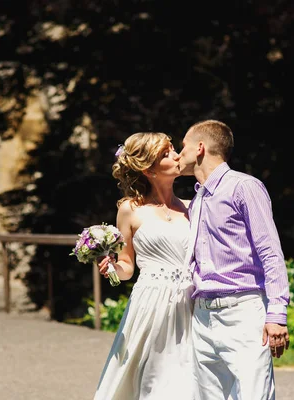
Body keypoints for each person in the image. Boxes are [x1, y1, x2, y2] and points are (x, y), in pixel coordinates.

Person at [176, 119, 291, 400]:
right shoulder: (199, 197)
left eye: (183, 147)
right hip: (202, 316)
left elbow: (270, 252)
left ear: (200, 148)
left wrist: (277, 314)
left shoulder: (244, 187)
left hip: (243, 312)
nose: (179, 155)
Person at [94, 132, 195, 400]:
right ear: (149, 169)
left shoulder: (192, 208)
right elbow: (127, 264)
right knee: (153, 379)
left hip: (192, 302)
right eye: (166, 153)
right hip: (151, 304)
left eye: (173, 149)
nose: (176, 156)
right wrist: (112, 270)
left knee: (189, 380)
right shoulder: (130, 209)